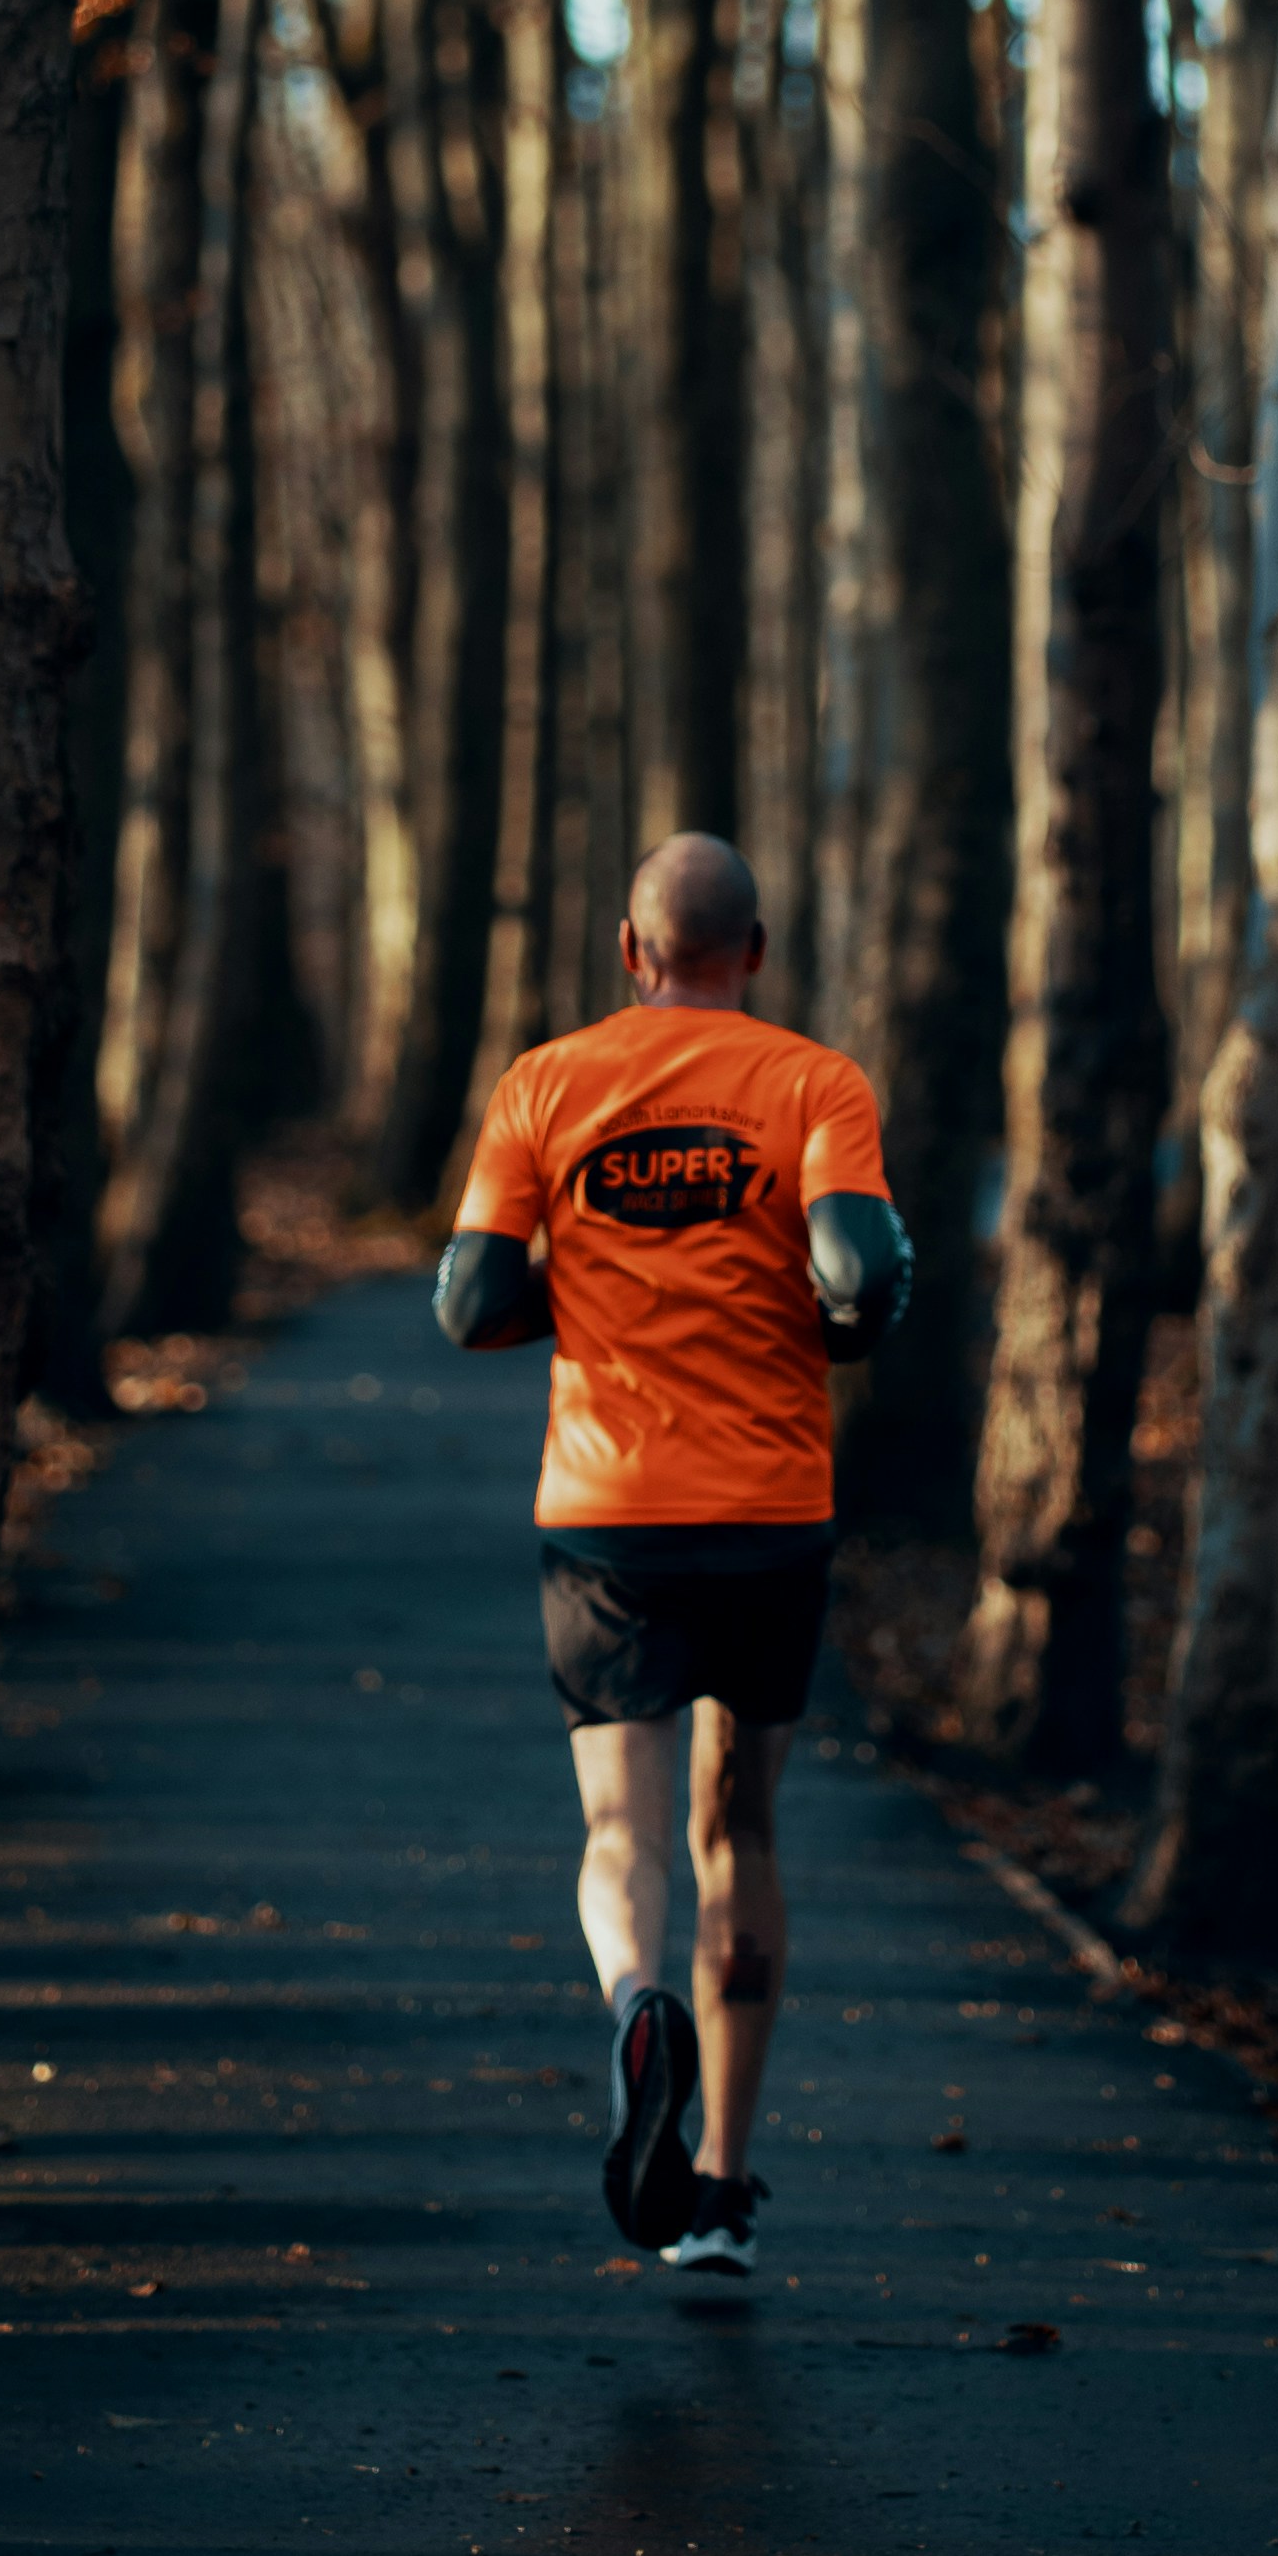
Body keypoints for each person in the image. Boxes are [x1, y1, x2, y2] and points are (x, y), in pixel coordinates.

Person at [434, 835, 910, 2289]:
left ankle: (637, 2002)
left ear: (628, 950)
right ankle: (716, 2187)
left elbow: (469, 1302)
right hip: (771, 1511)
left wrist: (575, 1309)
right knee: (739, 1838)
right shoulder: (817, 1084)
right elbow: (863, 1278)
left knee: (621, 1840)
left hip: (607, 1512)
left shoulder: (544, 1084)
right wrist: (826, 1332)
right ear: (754, 949)